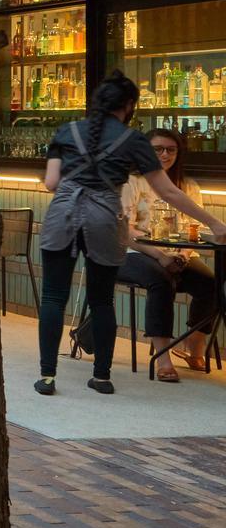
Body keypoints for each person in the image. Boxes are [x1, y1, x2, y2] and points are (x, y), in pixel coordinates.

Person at [36, 73, 221, 396]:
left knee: (53, 297)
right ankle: (102, 377)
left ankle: (48, 377)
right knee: (102, 299)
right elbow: (168, 192)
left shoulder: (66, 132)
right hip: (105, 217)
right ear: (129, 106)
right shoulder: (133, 140)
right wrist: (215, 224)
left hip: (62, 214)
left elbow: (51, 183)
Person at [113, 129, 223, 380]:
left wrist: (183, 254)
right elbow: (123, 231)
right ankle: (163, 359)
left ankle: (193, 347)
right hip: (133, 252)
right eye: (158, 149)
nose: (164, 154)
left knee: (211, 283)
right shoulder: (130, 182)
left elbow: (193, 230)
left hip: (177, 254)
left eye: (171, 149)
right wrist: (160, 255)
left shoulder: (188, 186)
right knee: (161, 280)